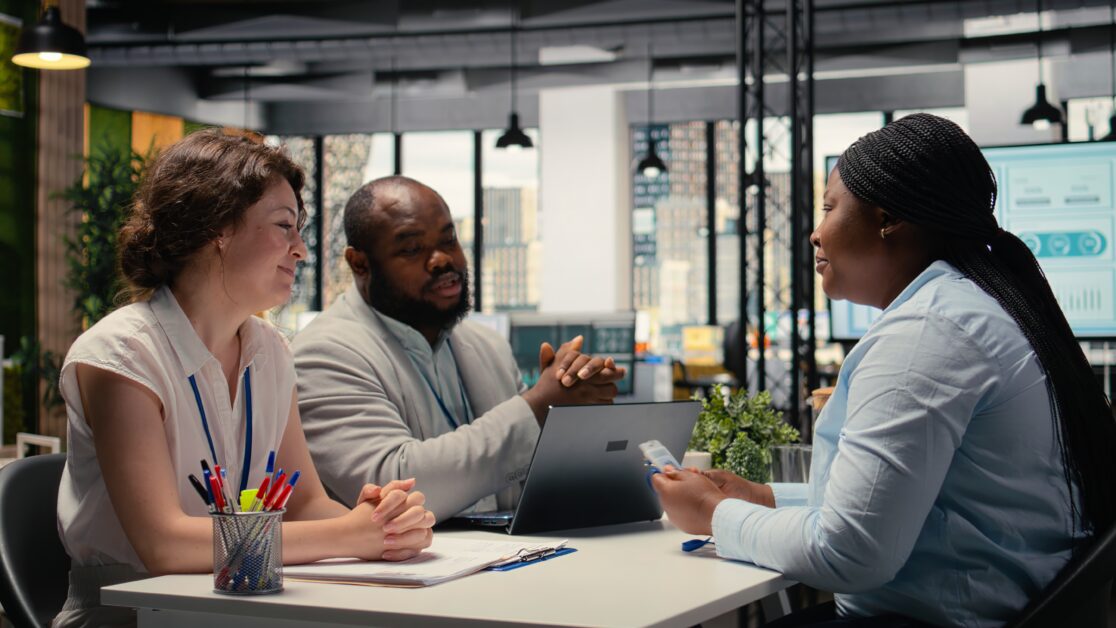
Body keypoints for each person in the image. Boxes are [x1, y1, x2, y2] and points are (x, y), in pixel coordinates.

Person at [651, 113, 1116, 627]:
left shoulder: (926, 333)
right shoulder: (965, 307)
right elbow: (911, 503)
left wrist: (712, 516)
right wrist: (764, 497)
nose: (815, 233)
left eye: (829, 208)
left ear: (887, 218)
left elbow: (850, 552)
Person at [54, 132, 435, 628]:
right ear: (218, 228)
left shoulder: (270, 351)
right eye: (283, 227)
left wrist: (381, 524)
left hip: (242, 606)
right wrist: (349, 536)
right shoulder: (120, 354)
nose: (300, 250)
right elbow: (164, 545)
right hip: (130, 615)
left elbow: (303, 503)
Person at [293, 176, 626, 522]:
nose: (441, 260)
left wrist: (567, 412)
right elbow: (394, 486)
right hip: (403, 572)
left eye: (448, 239)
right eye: (411, 248)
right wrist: (537, 406)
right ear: (359, 264)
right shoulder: (322, 354)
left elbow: (525, 479)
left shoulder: (487, 346)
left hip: (507, 565)